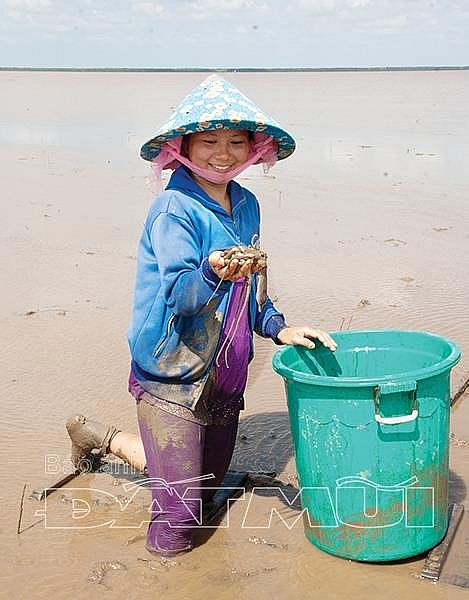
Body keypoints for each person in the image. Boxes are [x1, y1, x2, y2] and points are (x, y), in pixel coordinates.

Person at [66, 74, 337, 557]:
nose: (224, 152)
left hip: (226, 373)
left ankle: (101, 438)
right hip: (172, 371)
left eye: (237, 141)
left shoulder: (247, 204)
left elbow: (250, 289)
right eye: (209, 140)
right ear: (183, 146)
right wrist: (213, 269)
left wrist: (279, 327)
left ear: (255, 149)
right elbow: (185, 297)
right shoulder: (175, 209)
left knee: (204, 490)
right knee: (178, 520)